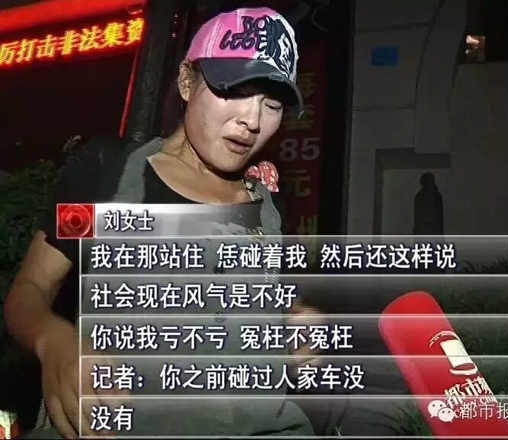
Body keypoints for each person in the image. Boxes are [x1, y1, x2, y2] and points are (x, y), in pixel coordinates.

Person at [4, 7, 324, 438]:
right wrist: (54, 341)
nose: (251, 121)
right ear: (187, 81)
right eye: (234, 91)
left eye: (271, 104)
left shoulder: (267, 206)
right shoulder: (108, 177)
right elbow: (29, 290)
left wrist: (294, 323)